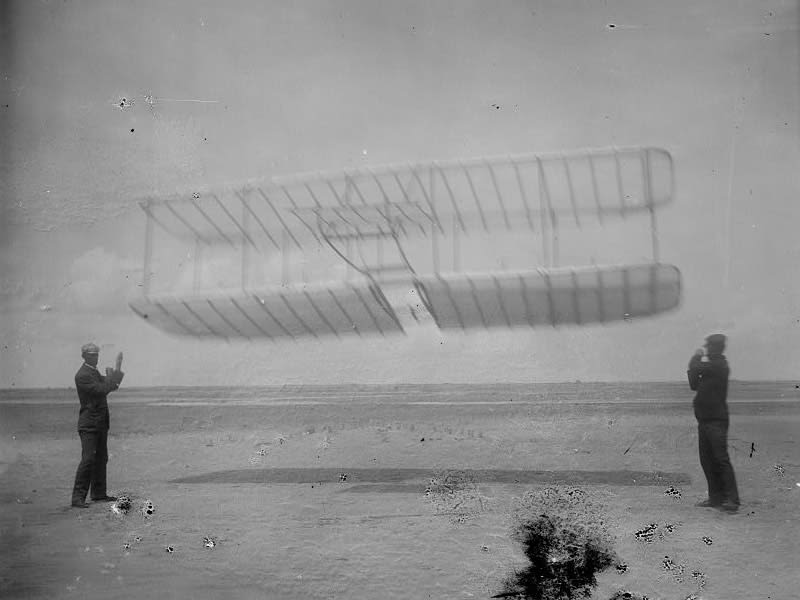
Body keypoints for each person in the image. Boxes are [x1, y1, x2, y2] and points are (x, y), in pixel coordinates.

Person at [687, 333, 739, 513]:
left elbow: (695, 366)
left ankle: (732, 500)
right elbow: (694, 384)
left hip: (716, 420)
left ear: (717, 348)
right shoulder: (710, 367)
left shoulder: (719, 365)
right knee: (707, 461)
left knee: (720, 460)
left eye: (709, 346)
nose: (707, 349)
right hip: (704, 419)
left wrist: (695, 356)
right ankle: (716, 498)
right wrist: (695, 365)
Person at [70, 343, 124, 508]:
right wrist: (110, 375)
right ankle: (78, 498)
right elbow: (102, 389)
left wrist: (117, 367)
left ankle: (99, 494)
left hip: (99, 423)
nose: (95, 357)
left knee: (101, 458)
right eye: (92, 355)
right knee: (88, 460)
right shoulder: (83, 375)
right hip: (89, 424)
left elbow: (112, 386)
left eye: (96, 355)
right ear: (84, 356)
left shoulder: (92, 372)